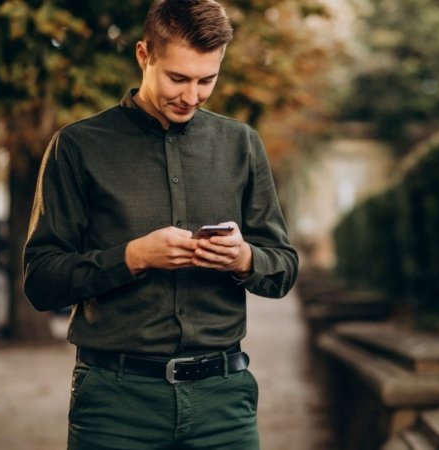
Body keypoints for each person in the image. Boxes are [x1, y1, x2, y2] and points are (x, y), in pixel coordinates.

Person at [23, 0, 298, 448]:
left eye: (206, 80)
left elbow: (284, 267)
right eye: (178, 78)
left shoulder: (241, 145)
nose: (192, 96)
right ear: (143, 56)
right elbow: (41, 281)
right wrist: (131, 258)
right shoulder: (76, 147)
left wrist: (246, 259)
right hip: (115, 405)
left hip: (224, 403)